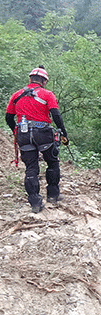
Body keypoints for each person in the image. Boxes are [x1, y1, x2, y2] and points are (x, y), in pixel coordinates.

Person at [5, 66, 68, 213]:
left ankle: (35, 203)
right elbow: (56, 115)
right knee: (52, 162)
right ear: (44, 81)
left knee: (31, 168)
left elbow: (8, 117)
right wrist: (64, 133)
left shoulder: (16, 95)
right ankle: (53, 195)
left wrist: (17, 130)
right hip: (43, 133)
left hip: (24, 133)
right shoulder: (47, 94)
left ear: (29, 79)